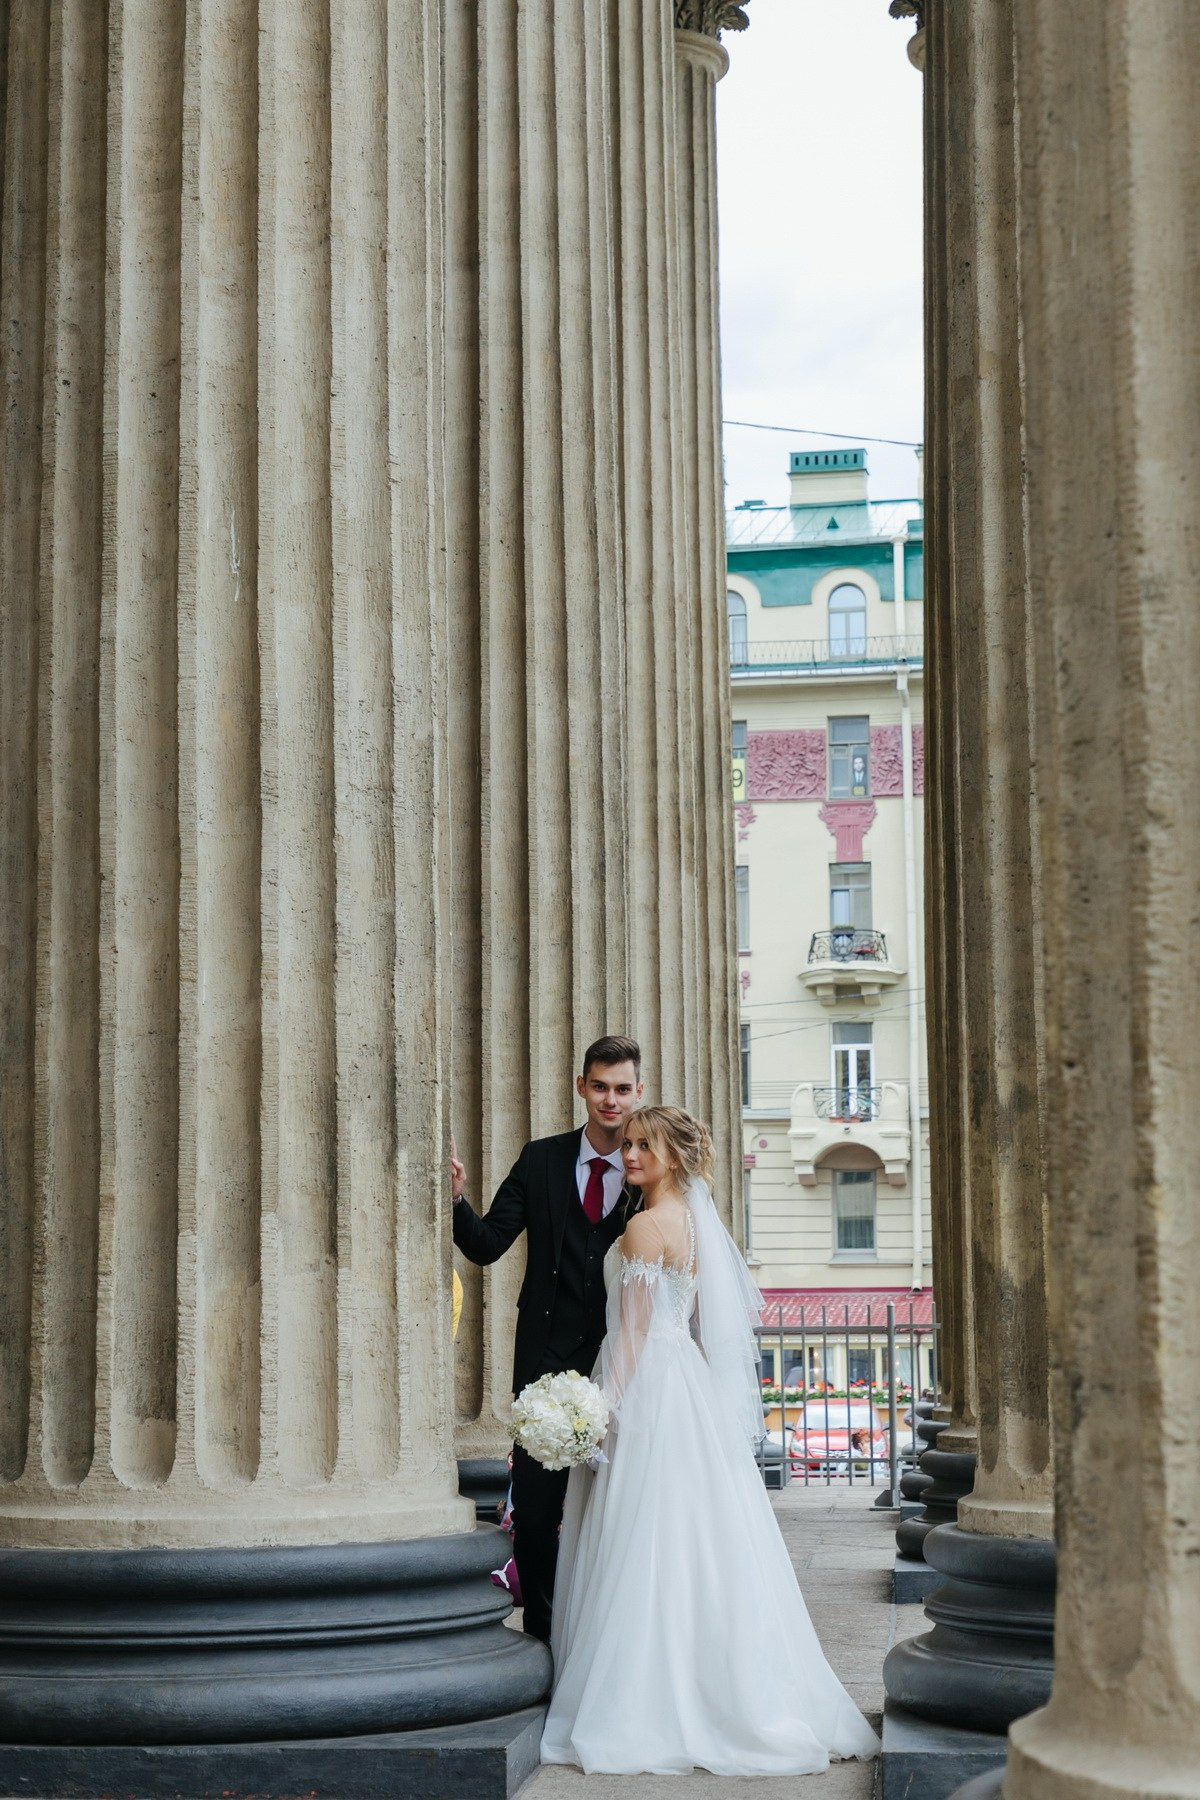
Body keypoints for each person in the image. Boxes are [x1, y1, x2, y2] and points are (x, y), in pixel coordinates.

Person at [540, 1105, 880, 1776]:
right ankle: (717, 1684)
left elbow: (632, 1334)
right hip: (685, 1387)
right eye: (628, 1143)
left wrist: (597, 1410)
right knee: (697, 1538)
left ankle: (645, 1699)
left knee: (645, 1540)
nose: (629, 1153)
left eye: (644, 1145)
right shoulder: (694, 1226)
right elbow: (689, 1326)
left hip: (647, 1389)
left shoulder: (643, 1227)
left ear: (673, 1156)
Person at [450, 1034, 645, 1644]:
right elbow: (485, 1245)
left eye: (622, 1089)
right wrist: (455, 1198)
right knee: (535, 1514)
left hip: (623, 1360)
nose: (610, 1100)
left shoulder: (648, 1170)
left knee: (618, 1510)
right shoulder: (541, 1159)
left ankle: (608, 1641)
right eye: (600, 1087)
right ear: (581, 1087)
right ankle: (542, 1634)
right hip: (544, 1363)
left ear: (638, 1092)